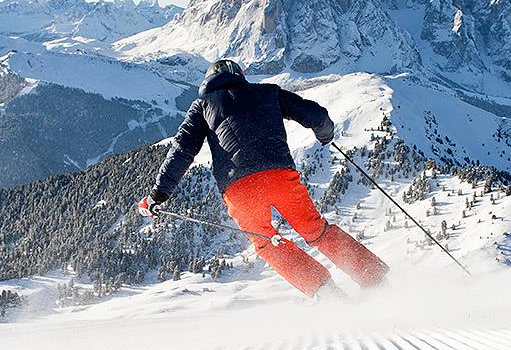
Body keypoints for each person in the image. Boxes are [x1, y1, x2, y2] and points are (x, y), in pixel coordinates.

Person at [139, 59, 389, 298]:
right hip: (280, 176)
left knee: (267, 243)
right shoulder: (268, 92)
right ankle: (374, 279)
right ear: (240, 76)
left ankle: (326, 293)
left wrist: (158, 195)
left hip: (239, 188)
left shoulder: (203, 106)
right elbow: (316, 116)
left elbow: (182, 150)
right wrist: (325, 135)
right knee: (316, 230)